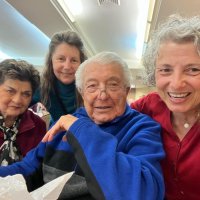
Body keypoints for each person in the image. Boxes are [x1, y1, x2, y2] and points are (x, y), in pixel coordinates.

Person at [0, 52, 165, 200]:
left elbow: (142, 192)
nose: (102, 95)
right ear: (82, 92)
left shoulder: (142, 128)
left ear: (126, 91)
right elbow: (28, 168)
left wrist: (81, 130)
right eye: (92, 86)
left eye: (113, 85)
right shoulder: (65, 123)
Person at [130, 14, 200, 200]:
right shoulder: (149, 105)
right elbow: (111, 114)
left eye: (193, 69)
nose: (176, 84)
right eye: (165, 70)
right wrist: (76, 123)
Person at [31, 30, 87, 124]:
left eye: (74, 60)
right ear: (51, 61)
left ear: (81, 63)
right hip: (57, 135)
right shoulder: (40, 86)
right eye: (61, 59)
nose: (67, 67)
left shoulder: (91, 88)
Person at [0, 59, 46, 166]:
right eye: (10, 91)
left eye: (26, 94)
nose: (17, 100)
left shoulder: (38, 126)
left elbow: (38, 168)